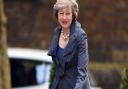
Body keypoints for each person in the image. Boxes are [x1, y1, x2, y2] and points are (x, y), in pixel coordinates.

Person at [48, 0, 91, 89]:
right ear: (57, 15)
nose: (64, 17)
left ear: (73, 15)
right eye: (61, 13)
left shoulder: (80, 36)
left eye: (68, 14)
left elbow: (82, 72)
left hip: (76, 86)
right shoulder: (56, 32)